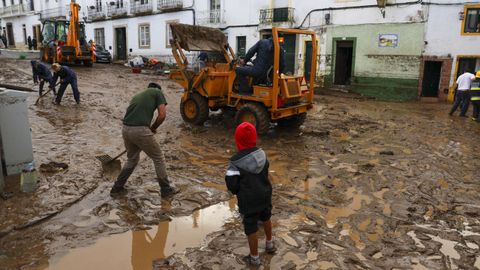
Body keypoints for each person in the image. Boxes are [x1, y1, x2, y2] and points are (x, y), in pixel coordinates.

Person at [110, 83, 179, 198]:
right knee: (158, 157)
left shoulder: (138, 95)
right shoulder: (157, 92)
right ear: (157, 89)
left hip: (126, 129)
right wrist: (153, 128)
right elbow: (162, 115)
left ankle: (117, 187)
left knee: (132, 159)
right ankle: (166, 190)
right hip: (140, 130)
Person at [225, 122, 275, 266]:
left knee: (251, 227)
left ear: (238, 140)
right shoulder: (263, 155)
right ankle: (270, 244)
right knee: (266, 217)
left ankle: (254, 258)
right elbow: (265, 172)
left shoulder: (235, 162)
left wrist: (237, 190)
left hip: (249, 200)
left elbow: (232, 185)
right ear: (254, 138)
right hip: (265, 194)